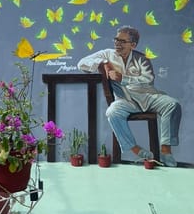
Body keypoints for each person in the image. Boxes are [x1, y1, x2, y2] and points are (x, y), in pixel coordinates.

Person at [77, 26, 181, 167]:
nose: (117, 44)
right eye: (116, 40)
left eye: (122, 41)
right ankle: (136, 149)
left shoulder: (142, 59)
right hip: (126, 101)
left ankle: (166, 150)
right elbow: (81, 64)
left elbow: (148, 80)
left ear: (133, 45)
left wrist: (123, 79)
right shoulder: (107, 54)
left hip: (148, 97)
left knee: (173, 104)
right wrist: (104, 63)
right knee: (112, 112)